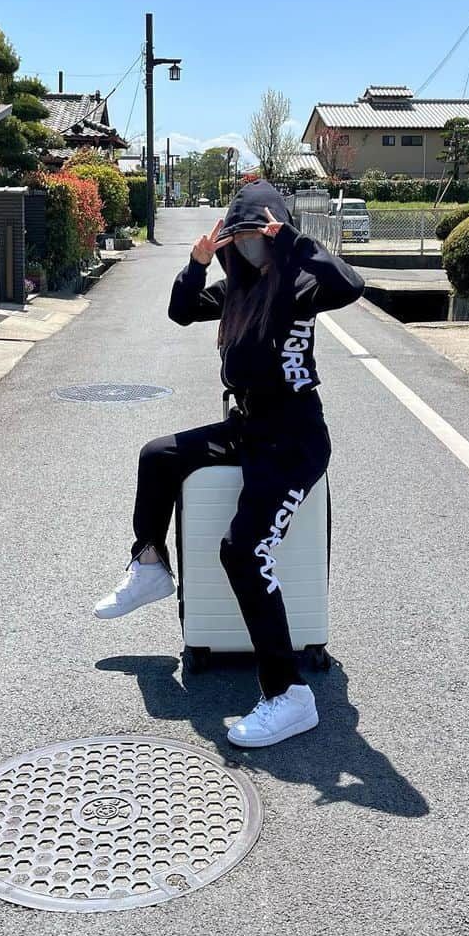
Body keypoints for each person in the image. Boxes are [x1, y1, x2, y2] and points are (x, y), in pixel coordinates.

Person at [94, 180, 365, 748]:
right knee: (158, 456)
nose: (250, 248)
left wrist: (291, 241)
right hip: (247, 426)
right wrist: (195, 265)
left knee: (243, 550)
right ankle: (149, 565)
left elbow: (352, 285)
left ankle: (289, 694)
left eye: (258, 237)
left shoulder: (301, 282)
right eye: (239, 238)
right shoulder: (236, 287)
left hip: (293, 439)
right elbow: (180, 310)